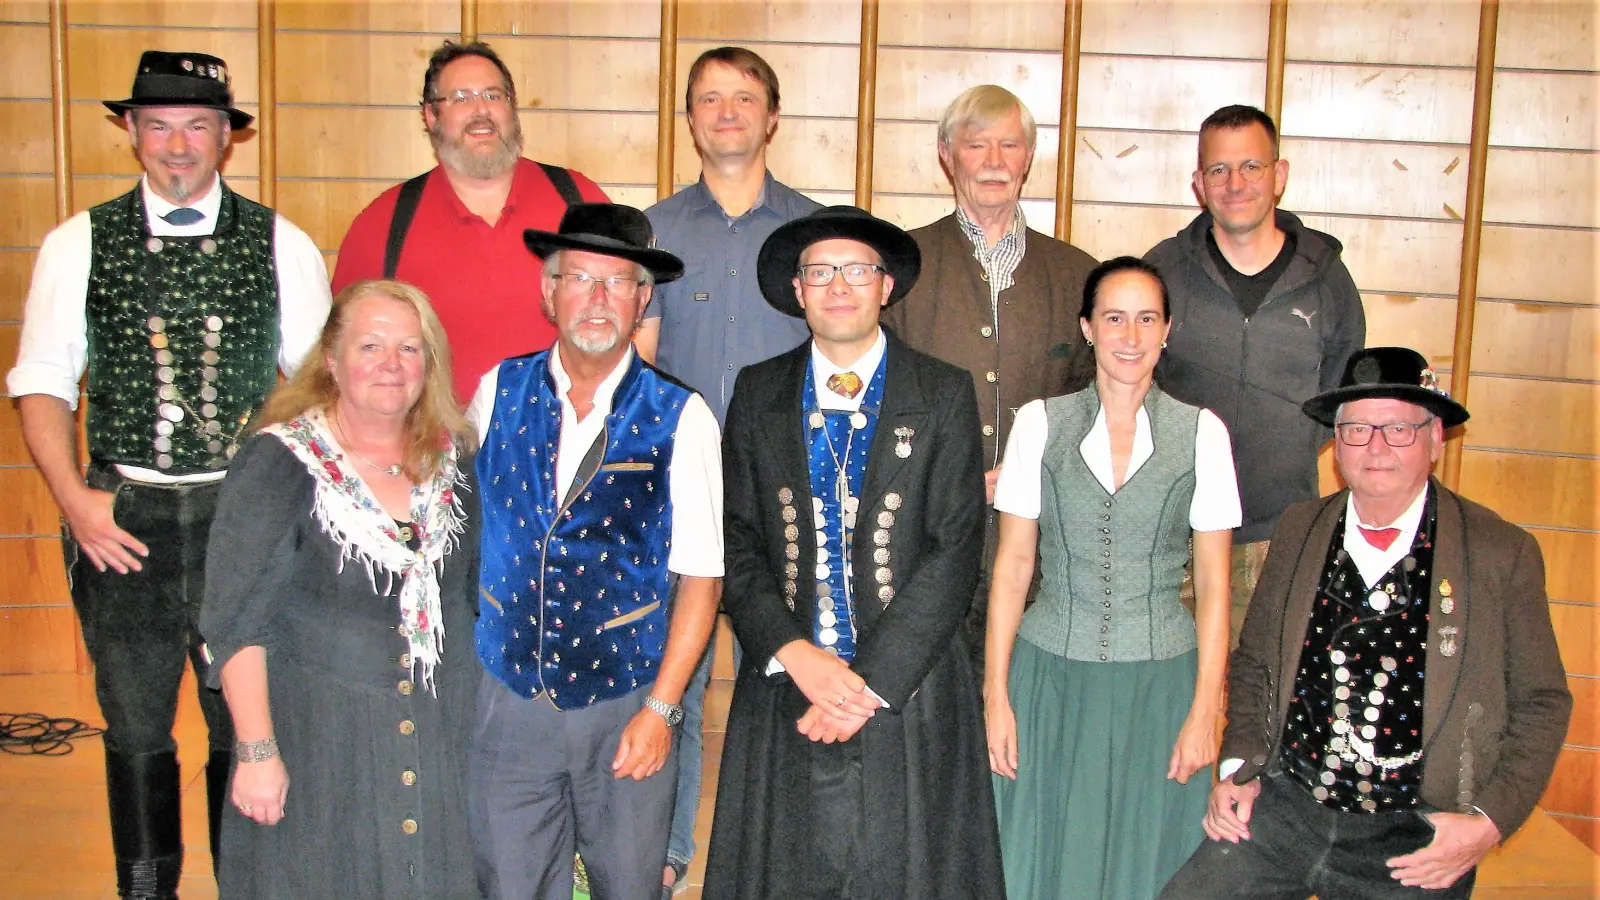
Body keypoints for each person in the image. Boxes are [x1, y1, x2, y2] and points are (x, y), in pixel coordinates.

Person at [5, 50, 330, 898]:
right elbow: (39, 380)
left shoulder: (282, 243)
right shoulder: (77, 242)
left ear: (226, 137)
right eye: (158, 124)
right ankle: (144, 891)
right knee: (136, 726)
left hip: (242, 513)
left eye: (197, 125)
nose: (177, 144)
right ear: (130, 133)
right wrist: (76, 501)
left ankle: (245, 885)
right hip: (123, 520)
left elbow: (321, 391)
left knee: (245, 721)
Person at [1159, 347, 1572, 900]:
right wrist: (1241, 767)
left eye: (1398, 428)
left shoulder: (1500, 552)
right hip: (1288, 808)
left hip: (1416, 832)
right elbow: (1256, 662)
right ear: (1336, 446)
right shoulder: (1300, 529)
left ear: (1435, 441)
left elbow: (1543, 702)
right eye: (1355, 430)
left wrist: (1488, 822)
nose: (1375, 447)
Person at [705, 206, 1004, 900]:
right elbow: (738, 540)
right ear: (798, 291)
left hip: (910, 691)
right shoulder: (757, 392)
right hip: (789, 689)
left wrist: (865, 686)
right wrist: (796, 654)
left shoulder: (944, 391)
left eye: (856, 270)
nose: (839, 285)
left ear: (885, 287)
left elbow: (956, 546)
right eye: (820, 272)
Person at [466, 203, 723, 900]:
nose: (598, 299)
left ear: (644, 300)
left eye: (619, 283)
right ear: (549, 291)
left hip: (625, 702)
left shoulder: (682, 416)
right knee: (510, 886)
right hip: (507, 699)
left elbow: (701, 579)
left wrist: (663, 710)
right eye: (580, 278)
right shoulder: (495, 390)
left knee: (628, 888)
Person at [198, 280, 478, 897]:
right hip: (319, 745)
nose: (391, 364)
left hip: (436, 735)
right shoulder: (281, 463)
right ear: (331, 359)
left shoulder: (455, 462)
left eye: (409, 349)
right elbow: (239, 621)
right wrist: (256, 750)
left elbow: (472, 599)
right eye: (370, 345)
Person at [984, 257, 1240, 899]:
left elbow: (1213, 584)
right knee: (1044, 856)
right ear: (1088, 328)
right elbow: (1014, 567)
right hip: (1049, 677)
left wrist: (1206, 708)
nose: (1131, 335)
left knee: (1147, 860)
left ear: (1167, 331)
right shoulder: (1038, 423)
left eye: (1146, 318)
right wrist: (996, 695)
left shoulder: (1203, 434)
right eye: (1114, 317)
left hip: (1160, 683)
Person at [633, 45, 819, 897]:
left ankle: (778, 851)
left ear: (773, 116)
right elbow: (635, 366)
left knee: (785, 670)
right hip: (677, 491)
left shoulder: (817, 233)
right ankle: (665, 856)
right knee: (674, 671)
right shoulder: (654, 232)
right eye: (710, 98)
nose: (728, 112)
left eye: (745, 98)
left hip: (788, 493)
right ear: (691, 117)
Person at [882, 84, 1098, 667]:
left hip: (1047, 545)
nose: (995, 162)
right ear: (948, 156)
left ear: (1029, 158)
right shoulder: (902, 268)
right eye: (977, 145)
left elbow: (1100, 404)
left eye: (1010, 145)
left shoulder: (1079, 275)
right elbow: (879, 401)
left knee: (1028, 706)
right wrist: (948, 479)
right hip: (924, 540)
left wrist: (1037, 471)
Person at [1145, 104, 1364, 648]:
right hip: (1172, 533)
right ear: (1199, 183)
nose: (1235, 183)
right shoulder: (1164, 270)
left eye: (1251, 167)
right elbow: (1128, 381)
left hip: (1277, 533)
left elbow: (1343, 396)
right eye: (1219, 170)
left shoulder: (1326, 279)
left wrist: (1285, 450)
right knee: (1164, 697)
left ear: (1279, 175)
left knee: (1259, 701)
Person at [333, 40, 610, 403]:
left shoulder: (581, 201)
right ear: (431, 116)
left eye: (493, 96)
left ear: (513, 108)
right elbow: (346, 358)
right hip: (431, 452)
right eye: (461, 98)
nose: (481, 110)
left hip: (568, 449)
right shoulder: (382, 227)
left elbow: (628, 322)